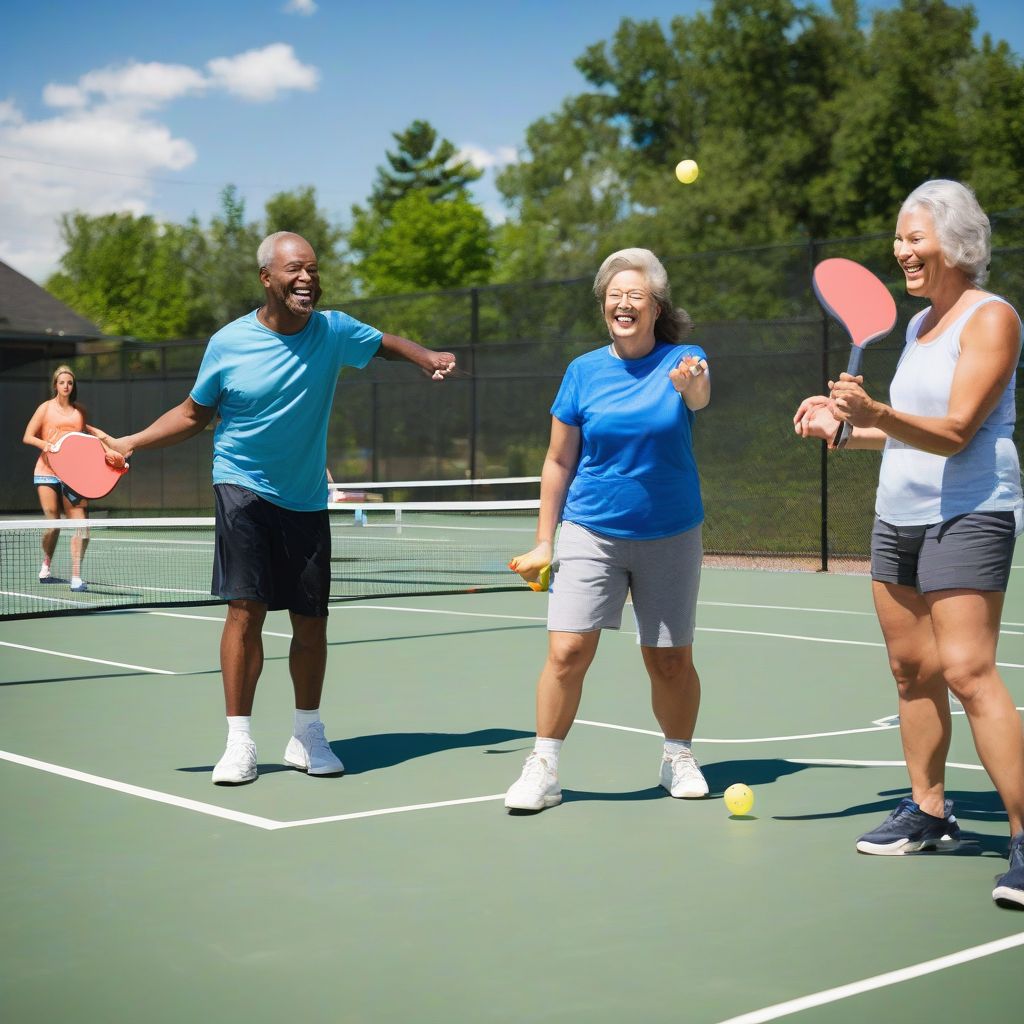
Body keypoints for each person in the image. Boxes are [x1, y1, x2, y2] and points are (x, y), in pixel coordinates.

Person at [107, 231, 456, 786]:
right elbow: (195, 413)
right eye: (295, 270)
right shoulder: (228, 343)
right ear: (267, 278)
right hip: (241, 484)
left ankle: (307, 733)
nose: (307, 279)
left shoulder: (333, 331)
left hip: (305, 498)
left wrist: (426, 357)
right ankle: (239, 742)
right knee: (245, 609)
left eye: (313, 270)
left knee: (311, 621)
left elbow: (385, 341)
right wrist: (130, 443)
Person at [793, 180, 1024, 910]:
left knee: (967, 670)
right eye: (898, 238)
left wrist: (875, 409)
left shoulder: (992, 320)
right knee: (909, 668)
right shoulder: (919, 325)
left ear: (957, 242)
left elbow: (956, 432)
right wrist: (840, 427)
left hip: (969, 511)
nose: (901, 250)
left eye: (914, 237)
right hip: (898, 515)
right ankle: (928, 809)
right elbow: (902, 432)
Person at [504, 247, 711, 812]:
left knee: (668, 658)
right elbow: (557, 462)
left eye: (635, 297)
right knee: (568, 650)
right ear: (604, 306)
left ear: (656, 307)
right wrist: (546, 540)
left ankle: (678, 756)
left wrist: (687, 383)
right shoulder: (582, 372)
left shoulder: (685, 358)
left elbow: (700, 394)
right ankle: (543, 766)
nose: (623, 304)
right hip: (590, 529)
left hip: (670, 533)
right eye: (614, 296)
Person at [23, 364, 116, 593]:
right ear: (55, 385)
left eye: (70, 383)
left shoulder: (79, 411)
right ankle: (47, 562)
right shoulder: (45, 408)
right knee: (53, 524)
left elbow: (88, 436)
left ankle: (76, 576)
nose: (66, 386)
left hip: (75, 475)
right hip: (46, 471)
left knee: (82, 525)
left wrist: (112, 448)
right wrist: (47, 445)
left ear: (73, 386)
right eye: (62, 382)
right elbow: (28, 436)